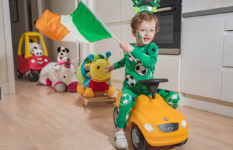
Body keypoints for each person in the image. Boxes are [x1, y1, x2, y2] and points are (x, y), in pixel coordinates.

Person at [105, 11, 180, 149]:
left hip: (149, 90)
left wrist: (132, 49)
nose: (147, 33)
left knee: (175, 97)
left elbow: (148, 63)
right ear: (134, 32)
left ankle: (164, 122)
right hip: (131, 89)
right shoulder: (129, 49)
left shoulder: (152, 48)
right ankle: (120, 132)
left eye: (151, 30)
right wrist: (112, 66)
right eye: (143, 30)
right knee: (125, 101)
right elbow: (125, 61)